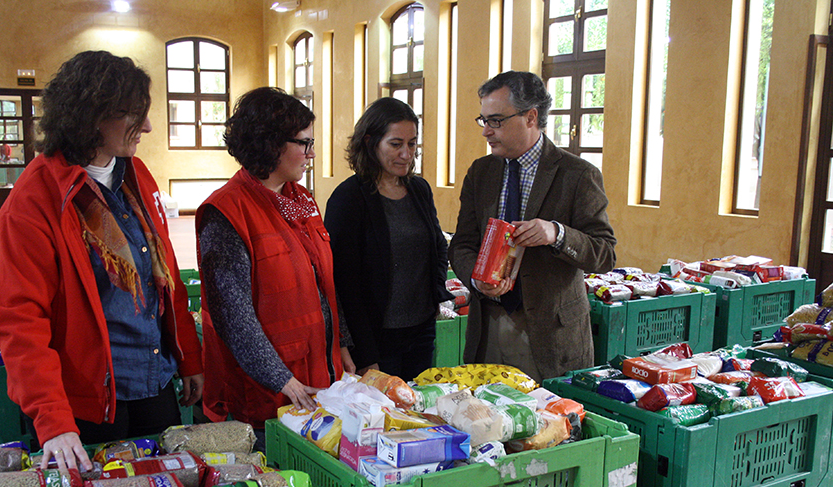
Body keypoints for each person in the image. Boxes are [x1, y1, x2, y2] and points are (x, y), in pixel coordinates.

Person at [0, 51, 204, 472]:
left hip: (154, 379)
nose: (147, 127)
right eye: (132, 115)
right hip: (88, 402)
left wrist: (189, 359)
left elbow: (165, 274)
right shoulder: (34, 201)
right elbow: (19, 319)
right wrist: (52, 419)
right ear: (91, 116)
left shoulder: (136, 174)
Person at [196, 87, 354, 449]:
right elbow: (232, 315)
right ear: (269, 144)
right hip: (269, 396)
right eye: (303, 143)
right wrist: (281, 379)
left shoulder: (300, 200)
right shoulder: (226, 213)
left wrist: (342, 342)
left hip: (318, 383)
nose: (312, 153)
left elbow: (322, 280)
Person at [448, 71, 617, 383]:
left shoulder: (577, 174)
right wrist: (476, 277)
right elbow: (461, 244)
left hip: (550, 336)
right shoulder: (481, 172)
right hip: (489, 327)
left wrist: (557, 234)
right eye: (483, 120)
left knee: (549, 426)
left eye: (496, 121)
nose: (486, 131)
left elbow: (604, 253)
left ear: (530, 117)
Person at [325, 97, 453, 381]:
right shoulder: (349, 198)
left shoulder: (419, 189)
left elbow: (438, 246)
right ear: (371, 143)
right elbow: (343, 283)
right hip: (374, 339)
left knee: (419, 414)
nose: (406, 154)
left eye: (412, 144)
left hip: (421, 331)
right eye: (396, 144)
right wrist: (365, 356)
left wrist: (435, 296)